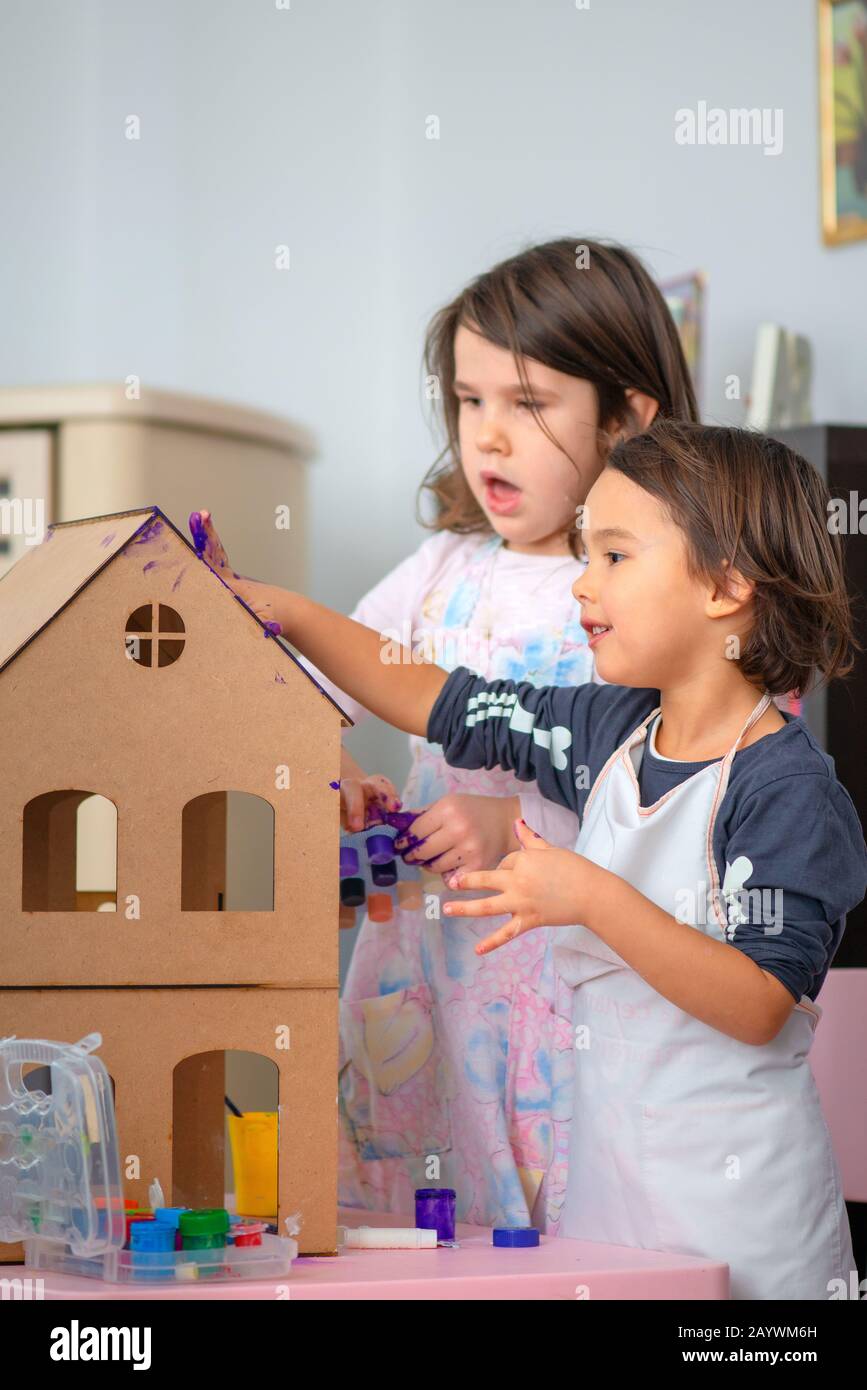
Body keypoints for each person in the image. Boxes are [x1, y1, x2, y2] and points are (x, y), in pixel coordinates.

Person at [191, 236, 698, 1230]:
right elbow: (307, 670)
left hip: (552, 980)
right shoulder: (442, 569)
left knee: (542, 1229)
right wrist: (332, 763)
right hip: (419, 968)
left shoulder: (638, 593)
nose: (489, 437)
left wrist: (516, 829)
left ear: (630, 416)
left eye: (530, 402)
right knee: (405, 1221)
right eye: (470, 402)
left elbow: (672, 799)